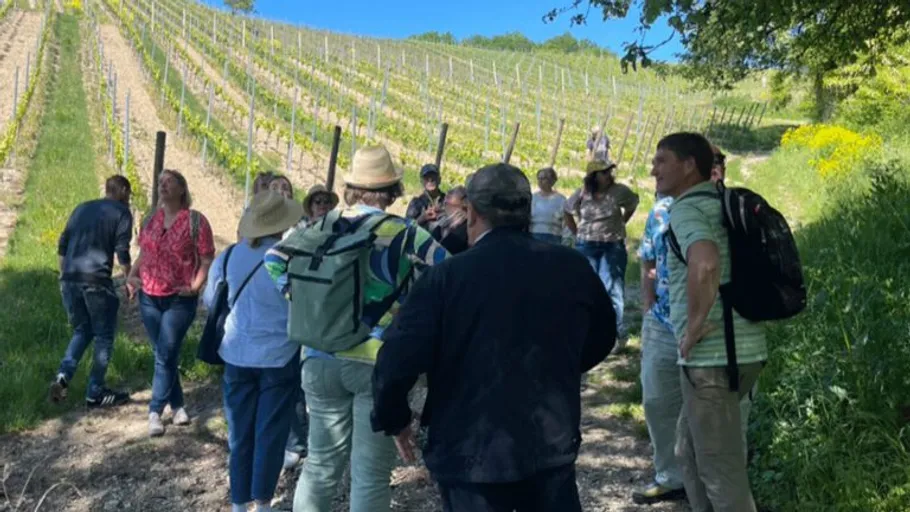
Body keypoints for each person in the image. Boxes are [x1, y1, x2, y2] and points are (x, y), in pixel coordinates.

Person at [371, 163, 616, 512]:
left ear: (471, 213)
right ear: (527, 211)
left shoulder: (446, 278)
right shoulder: (571, 266)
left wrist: (394, 417)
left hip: (470, 448)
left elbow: (397, 357)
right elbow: (603, 334)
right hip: (548, 441)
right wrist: (558, 366)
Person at [264, 144, 448, 512]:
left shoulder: (320, 225)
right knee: (370, 475)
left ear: (352, 187)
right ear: (392, 190)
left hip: (318, 354)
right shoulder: (405, 233)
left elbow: (274, 258)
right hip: (376, 361)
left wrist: (301, 300)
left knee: (319, 466)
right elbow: (449, 273)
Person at [633, 140, 759, 505]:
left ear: (690, 165)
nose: (653, 169)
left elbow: (705, 263)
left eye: (661, 161)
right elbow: (651, 260)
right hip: (736, 343)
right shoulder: (725, 205)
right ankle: (678, 484)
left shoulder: (687, 209)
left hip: (713, 353)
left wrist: (693, 327)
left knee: (719, 467)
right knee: (689, 451)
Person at [204, 191, 305, 512]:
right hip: (279, 354)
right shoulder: (290, 260)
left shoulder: (229, 257)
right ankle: (262, 503)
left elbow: (210, 300)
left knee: (239, 433)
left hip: (236, 353)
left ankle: (238, 503)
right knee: (270, 433)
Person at [126, 169, 215, 437]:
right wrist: (132, 275)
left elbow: (207, 258)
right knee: (164, 353)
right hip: (149, 296)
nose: (163, 185)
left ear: (182, 189)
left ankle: (155, 411)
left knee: (165, 352)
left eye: (169, 182)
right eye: (160, 182)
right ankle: (177, 406)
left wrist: (195, 286)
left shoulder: (195, 221)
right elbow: (144, 253)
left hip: (179, 299)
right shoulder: (151, 219)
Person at [50, 176, 134, 408]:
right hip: (96, 280)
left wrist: (64, 276)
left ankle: (63, 376)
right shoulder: (122, 213)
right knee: (104, 335)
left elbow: (63, 245)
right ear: (123, 190)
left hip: (70, 279)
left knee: (82, 330)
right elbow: (122, 252)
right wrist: (129, 279)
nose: (129, 199)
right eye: (129, 194)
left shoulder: (82, 208)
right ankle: (95, 392)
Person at [282, 183, 340, 471]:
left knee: (324, 379)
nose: (323, 206)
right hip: (305, 314)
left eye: (326, 201)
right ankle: (299, 443)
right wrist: (290, 292)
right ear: (310, 206)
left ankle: (322, 443)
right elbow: (276, 262)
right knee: (302, 377)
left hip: (332, 313)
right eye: (318, 202)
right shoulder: (298, 235)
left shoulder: (342, 234)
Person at [565, 160, 639, 349]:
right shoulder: (582, 193)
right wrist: (577, 233)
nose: (608, 175)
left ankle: (615, 335)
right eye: (604, 172)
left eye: (609, 171)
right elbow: (567, 210)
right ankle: (588, 332)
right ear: (593, 176)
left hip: (612, 246)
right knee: (586, 287)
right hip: (586, 245)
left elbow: (632, 204)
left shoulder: (619, 191)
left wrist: (622, 222)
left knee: (612, 288)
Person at [530, 167, 567, 245]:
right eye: (538, 178)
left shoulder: (561, 199)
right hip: (533, 235)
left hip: (553, 236)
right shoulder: (532, 198)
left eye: (544, 178)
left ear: (552, 181)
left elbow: (566, 221)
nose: (540, 181)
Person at [429, 186, 469, 255]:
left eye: (451, 193)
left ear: (464, 204)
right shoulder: (443, 223)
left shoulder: (465, 229)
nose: (447, 196)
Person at [406, 163, 446, 227]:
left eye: (433, 177)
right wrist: (422, 218)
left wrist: (443, 213)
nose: (430, 180)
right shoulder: (416, 203)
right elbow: (407, 227)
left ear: (439, 180)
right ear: (421, 181)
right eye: (426, 178)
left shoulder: (447, 200)